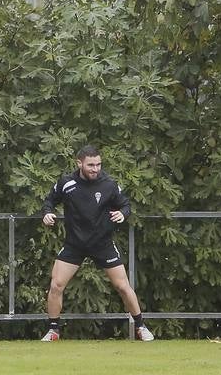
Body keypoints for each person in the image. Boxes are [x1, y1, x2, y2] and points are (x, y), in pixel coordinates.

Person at [38, 145, 153, 342]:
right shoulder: (66, 182)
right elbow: (49, 201)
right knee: (56, 285)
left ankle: (141, 326)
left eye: (98, 164)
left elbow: (125, 204)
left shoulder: (109, 184)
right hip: (75, 243)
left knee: (123, 286)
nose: (95, 169)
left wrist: (122, 214)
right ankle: (53, 330)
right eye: (91, 165)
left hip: (103, 243)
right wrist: (47, 213)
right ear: (79, 163)